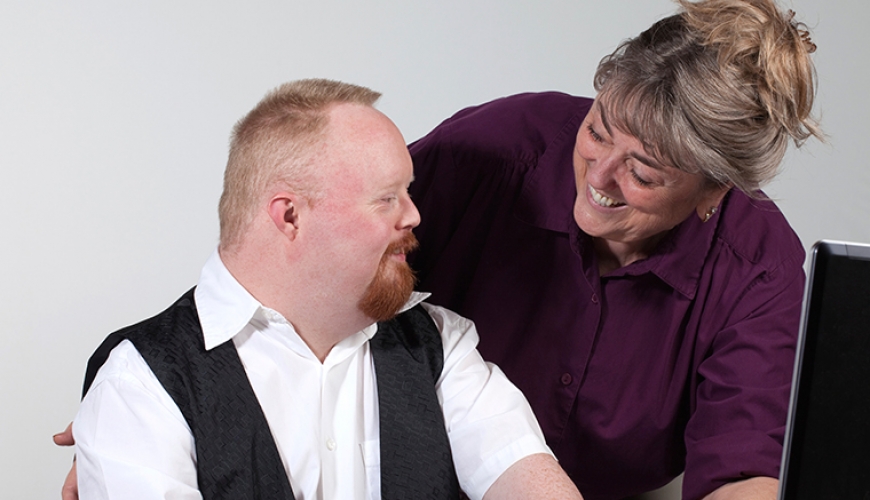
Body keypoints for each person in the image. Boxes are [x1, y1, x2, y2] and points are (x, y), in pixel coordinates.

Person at [65, 79, 583, 500]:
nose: (414, 215)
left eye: (409, 191)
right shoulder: (138, 384)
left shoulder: (439, 346)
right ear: (289, 215)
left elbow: (524, 477)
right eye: (386, 199)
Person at [406, 0, 820, 499]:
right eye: (597, 130)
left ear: (715, 189)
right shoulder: (492, 153)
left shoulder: (758, 268)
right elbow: (338, 261)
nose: (598, 176)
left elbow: (744, 471)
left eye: (643, 172)